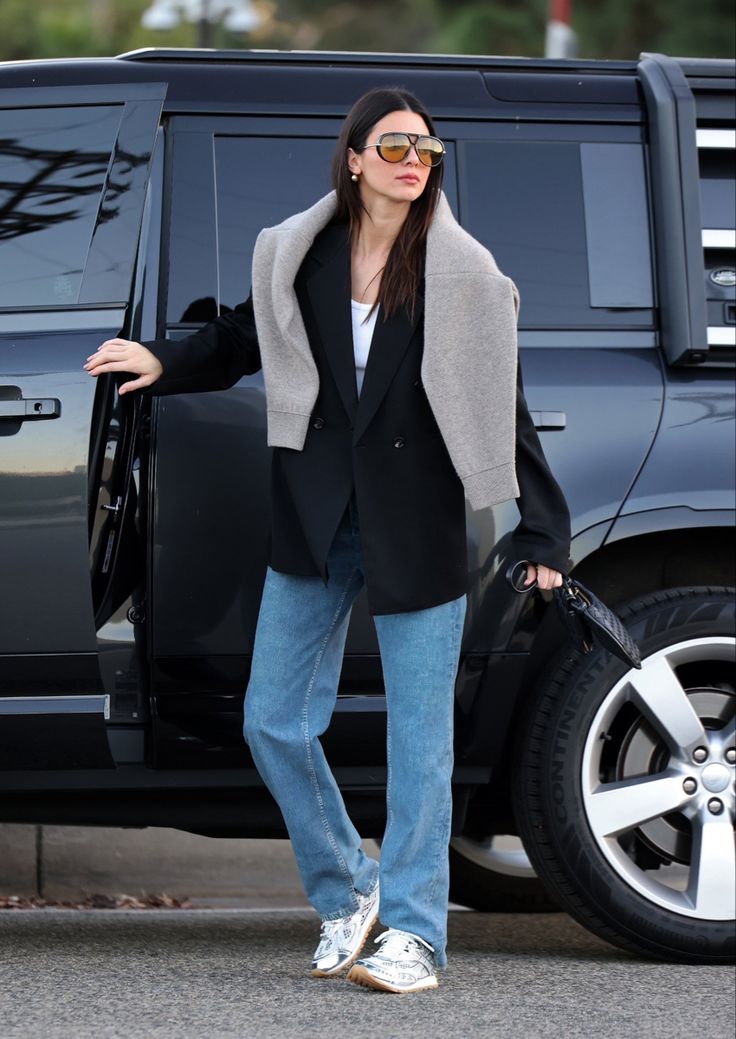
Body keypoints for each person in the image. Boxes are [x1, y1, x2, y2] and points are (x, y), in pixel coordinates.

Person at [83, 86, 571, 994]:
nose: (413, 162)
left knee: (419, 740)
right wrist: (164, 360)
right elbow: (242, 334)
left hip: (417, 519)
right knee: (273, 718)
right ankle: (350, 887)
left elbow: (499, 399)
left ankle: (418, 933)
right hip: (316, 513)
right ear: (353, 159)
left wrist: (542, 526)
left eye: (426, 149)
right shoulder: (300, 254)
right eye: (394, 146)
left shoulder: (460, 272)